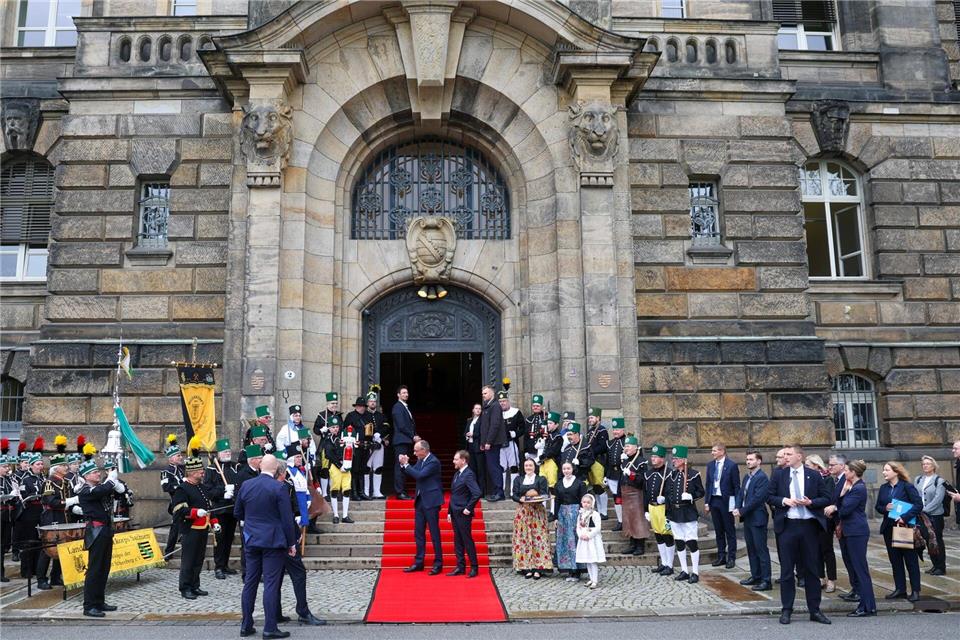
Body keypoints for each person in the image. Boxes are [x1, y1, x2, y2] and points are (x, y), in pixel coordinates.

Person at [766, 444, 832, 626]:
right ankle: (787, 609)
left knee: (812, 569)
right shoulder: (779, 474)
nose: (785, 457)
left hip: (809, 526)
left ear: (799, 456)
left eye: (789, 454)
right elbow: (769, 496)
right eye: (784, 454)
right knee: (787, 570)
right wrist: (784, 500)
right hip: (787, 526)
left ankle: (815, 610)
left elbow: (827, 498)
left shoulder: (814, 475)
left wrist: (811, 502)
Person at [234, 454, 298, 640]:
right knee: (270, 583)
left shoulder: (247, 485)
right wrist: (291, 542)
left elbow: (238, 512)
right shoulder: (279, 487)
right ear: (276, 468)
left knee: (250, 582)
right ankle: (270, 627)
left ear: (262, 466)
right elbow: (287, 520)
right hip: (273, 541)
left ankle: (246, 625)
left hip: (252, 540)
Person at [275, 447, 325, 627]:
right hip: (285, 537)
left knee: (276, 576)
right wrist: (292, 541)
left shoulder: (256, 485)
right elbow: (286, 515)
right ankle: (302, 612)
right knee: (298, 573)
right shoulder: (283, 486)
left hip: (268, 539)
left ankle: (275, 612)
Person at [824, 459, 876, 617]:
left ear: (853, 472)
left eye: (847, 470)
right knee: (856, 567)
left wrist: (838, 501)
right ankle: (867, 605)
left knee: (861, 570)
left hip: (856, 532)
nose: (845, 472)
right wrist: (842, 495)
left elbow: (845, 510)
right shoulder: (851, 486)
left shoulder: (858, 488)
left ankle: (867, 607)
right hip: (850, 531)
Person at [76, 453, 124, 617]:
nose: (98, 473)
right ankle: (89, 606)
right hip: (96, 531)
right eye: (95, 472)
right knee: (95, 569)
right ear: (86, 476)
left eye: (98, 471)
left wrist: (118, 485)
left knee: (104, 567)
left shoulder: (98, 487)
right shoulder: (85, 490)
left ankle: (99, 601)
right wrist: (111, 479)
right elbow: (101, 490)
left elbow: (115, 493)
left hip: (106, 530)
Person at [171, 439, 219, 600]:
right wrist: (194, 512)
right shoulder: (182, 489)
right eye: (200, 471)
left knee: (199, 559)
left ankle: (195, 585)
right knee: (188, 560)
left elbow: (209, 507)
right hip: (190, 529)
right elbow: (178, 510)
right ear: (191, 472)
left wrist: (214, 522)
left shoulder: (202, 488)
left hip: (203, 528)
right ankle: (185, 587)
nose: (203, 472)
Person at [876, 460, 923, 602]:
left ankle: (915, 590)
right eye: (884, 470)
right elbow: (878, 506)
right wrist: (886, 508)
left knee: (910, 560)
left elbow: (918, 505)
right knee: (895, 560)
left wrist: (905, 517)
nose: (884, 472)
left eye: (887, 470)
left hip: (904, 527)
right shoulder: (884, 488)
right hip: (889, 528)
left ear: (896, 472)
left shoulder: (907, 486)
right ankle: (900, 589)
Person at [400, 439, 444, 574]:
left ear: (424, 450)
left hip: (431, 501)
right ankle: (419, 562)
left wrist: (406, 465)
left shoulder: (433, 461)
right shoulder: (421, 460)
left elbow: (420, 475)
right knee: (418, 533)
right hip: (420, 501)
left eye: (416, 451)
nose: (414, 453)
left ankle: (438, 563)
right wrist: (405, 466)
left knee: (434, 533)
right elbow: (414, 472)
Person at [36, 437, 74, 590]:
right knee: (48, 549)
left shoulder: (65, 482)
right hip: (51, 518)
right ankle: (41, 579)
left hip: (63, 517)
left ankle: (55, 577)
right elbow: (50, 501)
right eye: (63, 465)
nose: (66, 467)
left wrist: (73, 506)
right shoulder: (49, 482)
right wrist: (68, 503)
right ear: (56, 468)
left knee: (62, 547)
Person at [665, 445, 704, 583]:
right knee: (679, 542)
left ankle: (695, 572)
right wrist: (667, 514)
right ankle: (684, 570)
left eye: (676, 458)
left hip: (687, 512)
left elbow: (701, 492)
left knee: (691, 542)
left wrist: (691, 497)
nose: (673, 461)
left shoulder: (693, 474)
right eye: (673, 458)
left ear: (684, 460)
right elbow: (669, 494)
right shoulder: (672, 475)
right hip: (674, 513)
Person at [733, 450, 771, 591]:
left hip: (758, 518)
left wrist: (741, 511)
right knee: (751, 549)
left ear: (759, 461)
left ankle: (766, 580)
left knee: (761, 550)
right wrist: (737, 507)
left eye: (751, 459)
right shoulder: (747, 477)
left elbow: (757, 499)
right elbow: (741, 494)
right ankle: (756, 576)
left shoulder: (762, 478)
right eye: (747, 459)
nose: (748, 461)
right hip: (748, 518)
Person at [510, 458, 552, 579]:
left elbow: (544, 494)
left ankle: (538, 567)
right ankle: (526, 567)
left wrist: (533, 495)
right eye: (526, 465)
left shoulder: (541, 479)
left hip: (537, 512)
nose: (528, 467)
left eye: (530, 465)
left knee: (538, 539)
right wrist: (523, 498)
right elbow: (515, 494)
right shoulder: (518, 479)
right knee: (523, 539)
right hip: (523, 512)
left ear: (535, 467)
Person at [203, 438, 238, 580]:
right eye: (224, 452)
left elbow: (240, 483)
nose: (227, 454)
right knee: (220, 538)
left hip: (232, 509)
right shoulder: (212, 470)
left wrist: (234, 490)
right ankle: (218, 566)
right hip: (219, 509)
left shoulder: (235, 467)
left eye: (229, 451)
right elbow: (208, 490)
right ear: (219, 454)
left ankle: (225, 565)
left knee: (229, 538)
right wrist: (223, 491)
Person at [704, 443, 739, 570]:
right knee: (718, 531)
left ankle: (731, 557)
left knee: (729, 530)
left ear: (722, 451)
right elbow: (708, 484)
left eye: (714, 451)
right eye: (712, 450)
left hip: (727, 501)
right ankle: (721, 556)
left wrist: (735, 505)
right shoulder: (710, 465)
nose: (712, 453)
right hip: (714, 500)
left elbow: (736, 486)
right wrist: (707, 502)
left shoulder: (732, 465)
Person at [447, 450, 482, 577]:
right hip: (455, 512)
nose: (453, 461)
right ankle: (460, 566)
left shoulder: (468, 474)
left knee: (467, 540)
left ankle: (474, 567)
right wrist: (449, 512)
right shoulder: (457, 474)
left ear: (463, 460)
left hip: (463, 513)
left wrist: (468, 508)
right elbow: (454, 495)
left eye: (456, 459)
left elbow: (477, 493)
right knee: (458, 540)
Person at [805, 454, 837, 593]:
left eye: (808, 465)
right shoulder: (807, 479)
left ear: (816, 466)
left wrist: (811, 502)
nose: (805, 468)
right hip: (812, 518)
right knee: (815, 550)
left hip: (824, 519)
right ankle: (820, 577)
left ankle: (831, 580)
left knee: (827, 550)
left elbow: (827, 498)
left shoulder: (827, 479)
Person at [13, 445, 44, 581]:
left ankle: (38, 569)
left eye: (42, 463)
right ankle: (26, 570)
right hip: (30, 513)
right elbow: (24, 495)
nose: (41, 466)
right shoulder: (26, 479)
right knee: (29, 541)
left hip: (41, 512)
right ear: (31, 466)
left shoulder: (43, 478)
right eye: (38, 464)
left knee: (39, 541)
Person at [644, 444, 675, 576]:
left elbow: (672, 493)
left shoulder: (669, 473)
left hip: (663, 508)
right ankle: (663, 562)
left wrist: (666, 500)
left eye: (656, 457)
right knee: (658, 535)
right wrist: (645, 509)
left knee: (667, 535)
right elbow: (645, 492)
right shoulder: (648, 473)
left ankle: (670, 565)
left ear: (662, 458)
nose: (653, 459)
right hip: (652, 508)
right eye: (652, 456)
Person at [554, 461, 587, 581]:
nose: (566, 471)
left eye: (568, 468)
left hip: (575, 513)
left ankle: (577, 569)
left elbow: (584, 501)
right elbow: (557, 501)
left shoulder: (580, 484)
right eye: (564, 469)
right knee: (564, 541)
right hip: (562, 513)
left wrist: (583, 516)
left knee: (575, 540)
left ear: (573, 469)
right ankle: (569, 568)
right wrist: (556, 517)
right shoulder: (559, 484)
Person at [915, 455, 946, 576]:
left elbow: (938, 499)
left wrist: (925, 510)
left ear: (933, 466)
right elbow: (915, 495)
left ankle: (941, 566)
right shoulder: (918, 479)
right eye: (923, 464)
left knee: (937, 540)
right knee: (928, 540)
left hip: (934, 515)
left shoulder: (939, 480)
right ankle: (934, 565)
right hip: (921, 515)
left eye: (928, 463)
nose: (925, 466)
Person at [618, 434, 648, 555]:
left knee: (638, 520)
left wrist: (631, 475)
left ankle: (640, 545)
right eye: (625, 446)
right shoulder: (625, 462)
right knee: (628, 520)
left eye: (628, 446)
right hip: (625, 493)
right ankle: (632, 543)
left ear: (636, 448)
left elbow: (643, 479)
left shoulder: (641, 461)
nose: (626, 448)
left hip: (636, 493)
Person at [322, 416, 355, 524]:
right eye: (333, 427)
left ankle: (345, 515)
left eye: (336, 427)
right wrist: (339, 464)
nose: (335, 429)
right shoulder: (327, 439)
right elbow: (328, 454)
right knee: (335, 490)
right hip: (335, 468)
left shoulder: (343, 437)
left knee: (346, 490)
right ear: (329, 428)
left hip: (346, 467)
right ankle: (336, 514)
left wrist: (347, 464)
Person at [478, 385, 507, 501]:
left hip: (493, 443)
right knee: (491, 467)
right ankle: (496, 490)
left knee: (494, 467)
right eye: (483, 394)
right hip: (488, 442)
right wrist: (482, 442)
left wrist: (488, 441)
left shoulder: (495, 406)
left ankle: (499, 492)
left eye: (485, 393)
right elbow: (484, 427)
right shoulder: (488, 406)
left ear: (491, 393)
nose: (483, 395)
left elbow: (494, 425)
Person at [313, 393, 341, 499]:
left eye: (336, 403)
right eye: (332, 403)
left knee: (335, 468)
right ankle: (325, 493)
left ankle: (334, 491)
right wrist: (321, 430)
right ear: (328, 404)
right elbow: (315, 430)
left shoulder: (339, 415)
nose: (334, 405)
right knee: (325, 469)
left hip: (337, 445)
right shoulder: (322, 415)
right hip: (326, 444)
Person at [160, 435, 185, 556]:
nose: (181, 457)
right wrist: (180, 486)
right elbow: (166, 487)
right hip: (176, 502)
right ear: (171, 458)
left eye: (181, 455)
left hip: (187, 501)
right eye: (178, 455)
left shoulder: (183, 469)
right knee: (175, 528)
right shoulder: (166, 472)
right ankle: (169, 551)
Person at [343, 397, 371, 501]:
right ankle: (354, 492)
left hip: (365, 446)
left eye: (364, 406)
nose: (363, 408)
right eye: (361, 406)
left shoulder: (367, 416)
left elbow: (371, 430)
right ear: (357, 406)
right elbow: (345, 431)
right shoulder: (351, 416)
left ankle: (361, 492)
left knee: (363, 469)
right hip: (355, 447)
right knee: (355, 469)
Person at [576, 493, 606, 589]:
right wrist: (580, 535)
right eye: (584, 502)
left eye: (588, 502)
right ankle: (591, 578)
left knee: (592, 560)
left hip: (592, 540)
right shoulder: (581, 514)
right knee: (587, 560)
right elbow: (578, 527)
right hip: (583, 539)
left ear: (592, 503)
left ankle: (595, 580)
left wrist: (589, 535)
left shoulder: (595, 514)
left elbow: (598, 528)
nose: (586, 504)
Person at [363, 391, 389, 500]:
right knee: (367, 468)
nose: (373, 403)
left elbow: (386, 427)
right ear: (367, 402)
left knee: (378, 468)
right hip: (368, 445)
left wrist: (380, 434)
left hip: (379, 444)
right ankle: (366, 491)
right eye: (371, 401)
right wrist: (371, 436)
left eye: (374, 401)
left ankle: (377, 491)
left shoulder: (381, 415)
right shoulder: (364, 415)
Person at [391, 386, 416, 500]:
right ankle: (399, 492)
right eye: (404, 393)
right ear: (398, 395)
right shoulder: (397, 407)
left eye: (407, 392)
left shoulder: (404, 407)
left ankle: (402, 490)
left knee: (404, 466)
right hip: (401, 441)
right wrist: (413, 436)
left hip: (405, 441)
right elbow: (401, 426)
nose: (406, 394)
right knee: (400, 466)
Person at [584, 409, 609, 518]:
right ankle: (599, 511)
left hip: (598, 461)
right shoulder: (590, 431)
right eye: (589, 418)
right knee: (595, 487)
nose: (590, 419)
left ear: (598, 418)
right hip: (591, 461)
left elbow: (603, 446)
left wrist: (591, 451)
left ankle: (604, 512)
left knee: (599, 486)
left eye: (592, 417)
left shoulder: (602, 430)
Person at [1, 443, 20, 582]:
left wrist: (15, 494)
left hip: (7, 514)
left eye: (8, 466)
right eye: (4, 467)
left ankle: (1, 572)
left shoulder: (9, 479)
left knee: (4, 545)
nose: (7, 469)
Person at [538, 412, 563, 518]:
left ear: (557, 425)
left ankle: (553, 511)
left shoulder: (558, 437)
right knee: (543, 487)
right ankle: (543, 510)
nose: (549, 425)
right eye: (548, 423)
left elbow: (553, 451)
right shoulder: (547, 436)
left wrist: (542, 456)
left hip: (552, 463)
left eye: (551, 423)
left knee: (552, 488)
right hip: (544, 463)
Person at [498, 390, 523, 494]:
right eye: (500, 401)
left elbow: (522, 428)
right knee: (501, 468)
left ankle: (514, 491)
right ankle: (502, 491)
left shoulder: (516, 412)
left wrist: (515, 434)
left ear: (508, 401)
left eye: (504, 401)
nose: (502, 403)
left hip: (512, 443)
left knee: (514, 467)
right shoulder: (496, 413)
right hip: (499, 445)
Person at [604, 418, 627, 532]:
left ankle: (626, 520)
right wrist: (605, 475)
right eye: (614, 430)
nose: (615, 432)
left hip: (623, 474)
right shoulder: (610, 443)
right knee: (616, 498)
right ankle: (620, 521)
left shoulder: (628, 442)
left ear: (623, 429)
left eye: (618, 429)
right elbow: (607, 460)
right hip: (612, 474)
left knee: (624, 498)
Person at [464, 403, 485, 498]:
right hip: (470, 447)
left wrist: (473, 434)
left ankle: (481, 492)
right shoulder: (469, 420)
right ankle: (474, 491)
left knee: (480, 470)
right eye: (476, 408)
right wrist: (467, 435)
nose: (478, 410)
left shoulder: (482, 421)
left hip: (479, 448)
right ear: (473, 410)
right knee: (472, 470)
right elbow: (465, 432)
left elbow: (482, 433)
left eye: (479, 409)